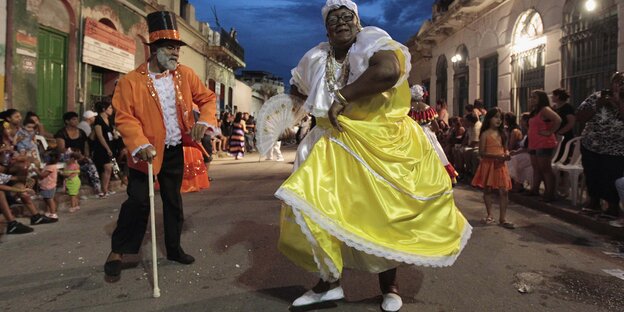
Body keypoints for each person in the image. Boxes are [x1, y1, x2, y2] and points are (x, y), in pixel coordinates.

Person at [276, 2, 471, 311]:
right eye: (334, 19)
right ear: (326, 28)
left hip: (374, 144)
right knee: (319, 215)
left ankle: (389, 286)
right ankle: (329, 283)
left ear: (358, 21)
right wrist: (291, 115)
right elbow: (298, 89)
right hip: (327, 147)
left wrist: (343, 96)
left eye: (347, 17)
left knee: (381, 215)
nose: (341, 23)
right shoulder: (314, 56)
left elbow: (388, 70)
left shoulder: (370, 41)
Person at [104, 11, 217, 282]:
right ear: (154, 50)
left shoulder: (186, 75)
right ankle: (118, 252)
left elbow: (208, 98)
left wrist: (206, 121)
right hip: (145, 153)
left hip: (175, 149)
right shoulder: (131, 81)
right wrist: (139, 143)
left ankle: (174, 249)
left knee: (173, 202)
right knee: (138, 202)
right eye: (170, 47)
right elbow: (124, 117)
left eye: (177, 48)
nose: (175, 53)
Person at [576, 72, 624, 219]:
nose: (619, 85)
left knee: (612, 176)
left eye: (622, 82)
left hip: (616, 148)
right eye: (617, 81)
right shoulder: (597, 96)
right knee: (592, 173)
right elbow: (580, 116)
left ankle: (612, 206)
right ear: (611, 83)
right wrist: (598, 105)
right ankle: (594, 202)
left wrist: (617, 102)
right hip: (592, 144)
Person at [471, 108, 514, 229]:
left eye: (500, 118)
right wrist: (497, 156)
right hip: (488, 164)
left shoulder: (503, 134)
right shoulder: (485, 134)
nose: (498, 120)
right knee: (488, 190)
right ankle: (490, 214)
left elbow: (505, 148)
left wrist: (506, 154)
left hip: (500, 165)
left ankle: (503, 218)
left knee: (504, 191)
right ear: (489, 119)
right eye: (496, 117)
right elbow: (482, 152)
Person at [408, 84, 458, 181]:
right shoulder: (428, 109)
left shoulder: (408, 109)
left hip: (413, 134)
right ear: (422, 95)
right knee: (437, 154)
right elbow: (436, 126)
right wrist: (431, 129)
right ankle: (440, 178)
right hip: (428, 134)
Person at [55, 111, 104, 198]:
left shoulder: (81, 132)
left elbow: (86, 146)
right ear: (67, 121)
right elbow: (61, 149)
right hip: (68, 157)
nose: (76, 121)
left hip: (80, 157)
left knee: (90, 164)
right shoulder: (61, 133)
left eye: (77, 119)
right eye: (73, 119)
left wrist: (86, 155)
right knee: (70, 161)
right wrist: (74, 153)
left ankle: (97, 188)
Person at [526, 90, 561, 202]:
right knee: (536, 168)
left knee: (545, 168)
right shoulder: (534, 111)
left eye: (534, 97)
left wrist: (550, 131)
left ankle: (549, 193)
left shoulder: (545, 110)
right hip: (534, 143)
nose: (532, 99)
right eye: (531, 97)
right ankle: (535, 189)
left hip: (544, 143)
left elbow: (558, 120)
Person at [92, 101, 115, 197]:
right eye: (109, 108)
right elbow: (100, 136)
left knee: (109, 168)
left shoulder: (109, 119)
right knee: (107, 167)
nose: (111, 110)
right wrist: (107, 148)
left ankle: (106, 188)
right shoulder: (98, 120)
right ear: (103, 109)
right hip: (102, 146)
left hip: (111, 144)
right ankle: (104, 189)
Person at [34, 150, 60, 221]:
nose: (44, 157)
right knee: (46, 199)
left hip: (49, 186)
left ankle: (53, 213)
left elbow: (42, 175)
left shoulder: (51, 167)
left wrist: (35, 170)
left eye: (46, 156)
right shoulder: (48, 165)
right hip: (46, 185)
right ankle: (49, 212)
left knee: (50, 199)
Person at [551, 88, 575, 162]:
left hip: (565, 137)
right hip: (555, 136)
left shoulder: (567, 108)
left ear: (558, 96)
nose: (551, 97)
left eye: (553, 95)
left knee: (562, 158)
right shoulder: (554, 108)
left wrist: (560, 132)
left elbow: (571, 123)